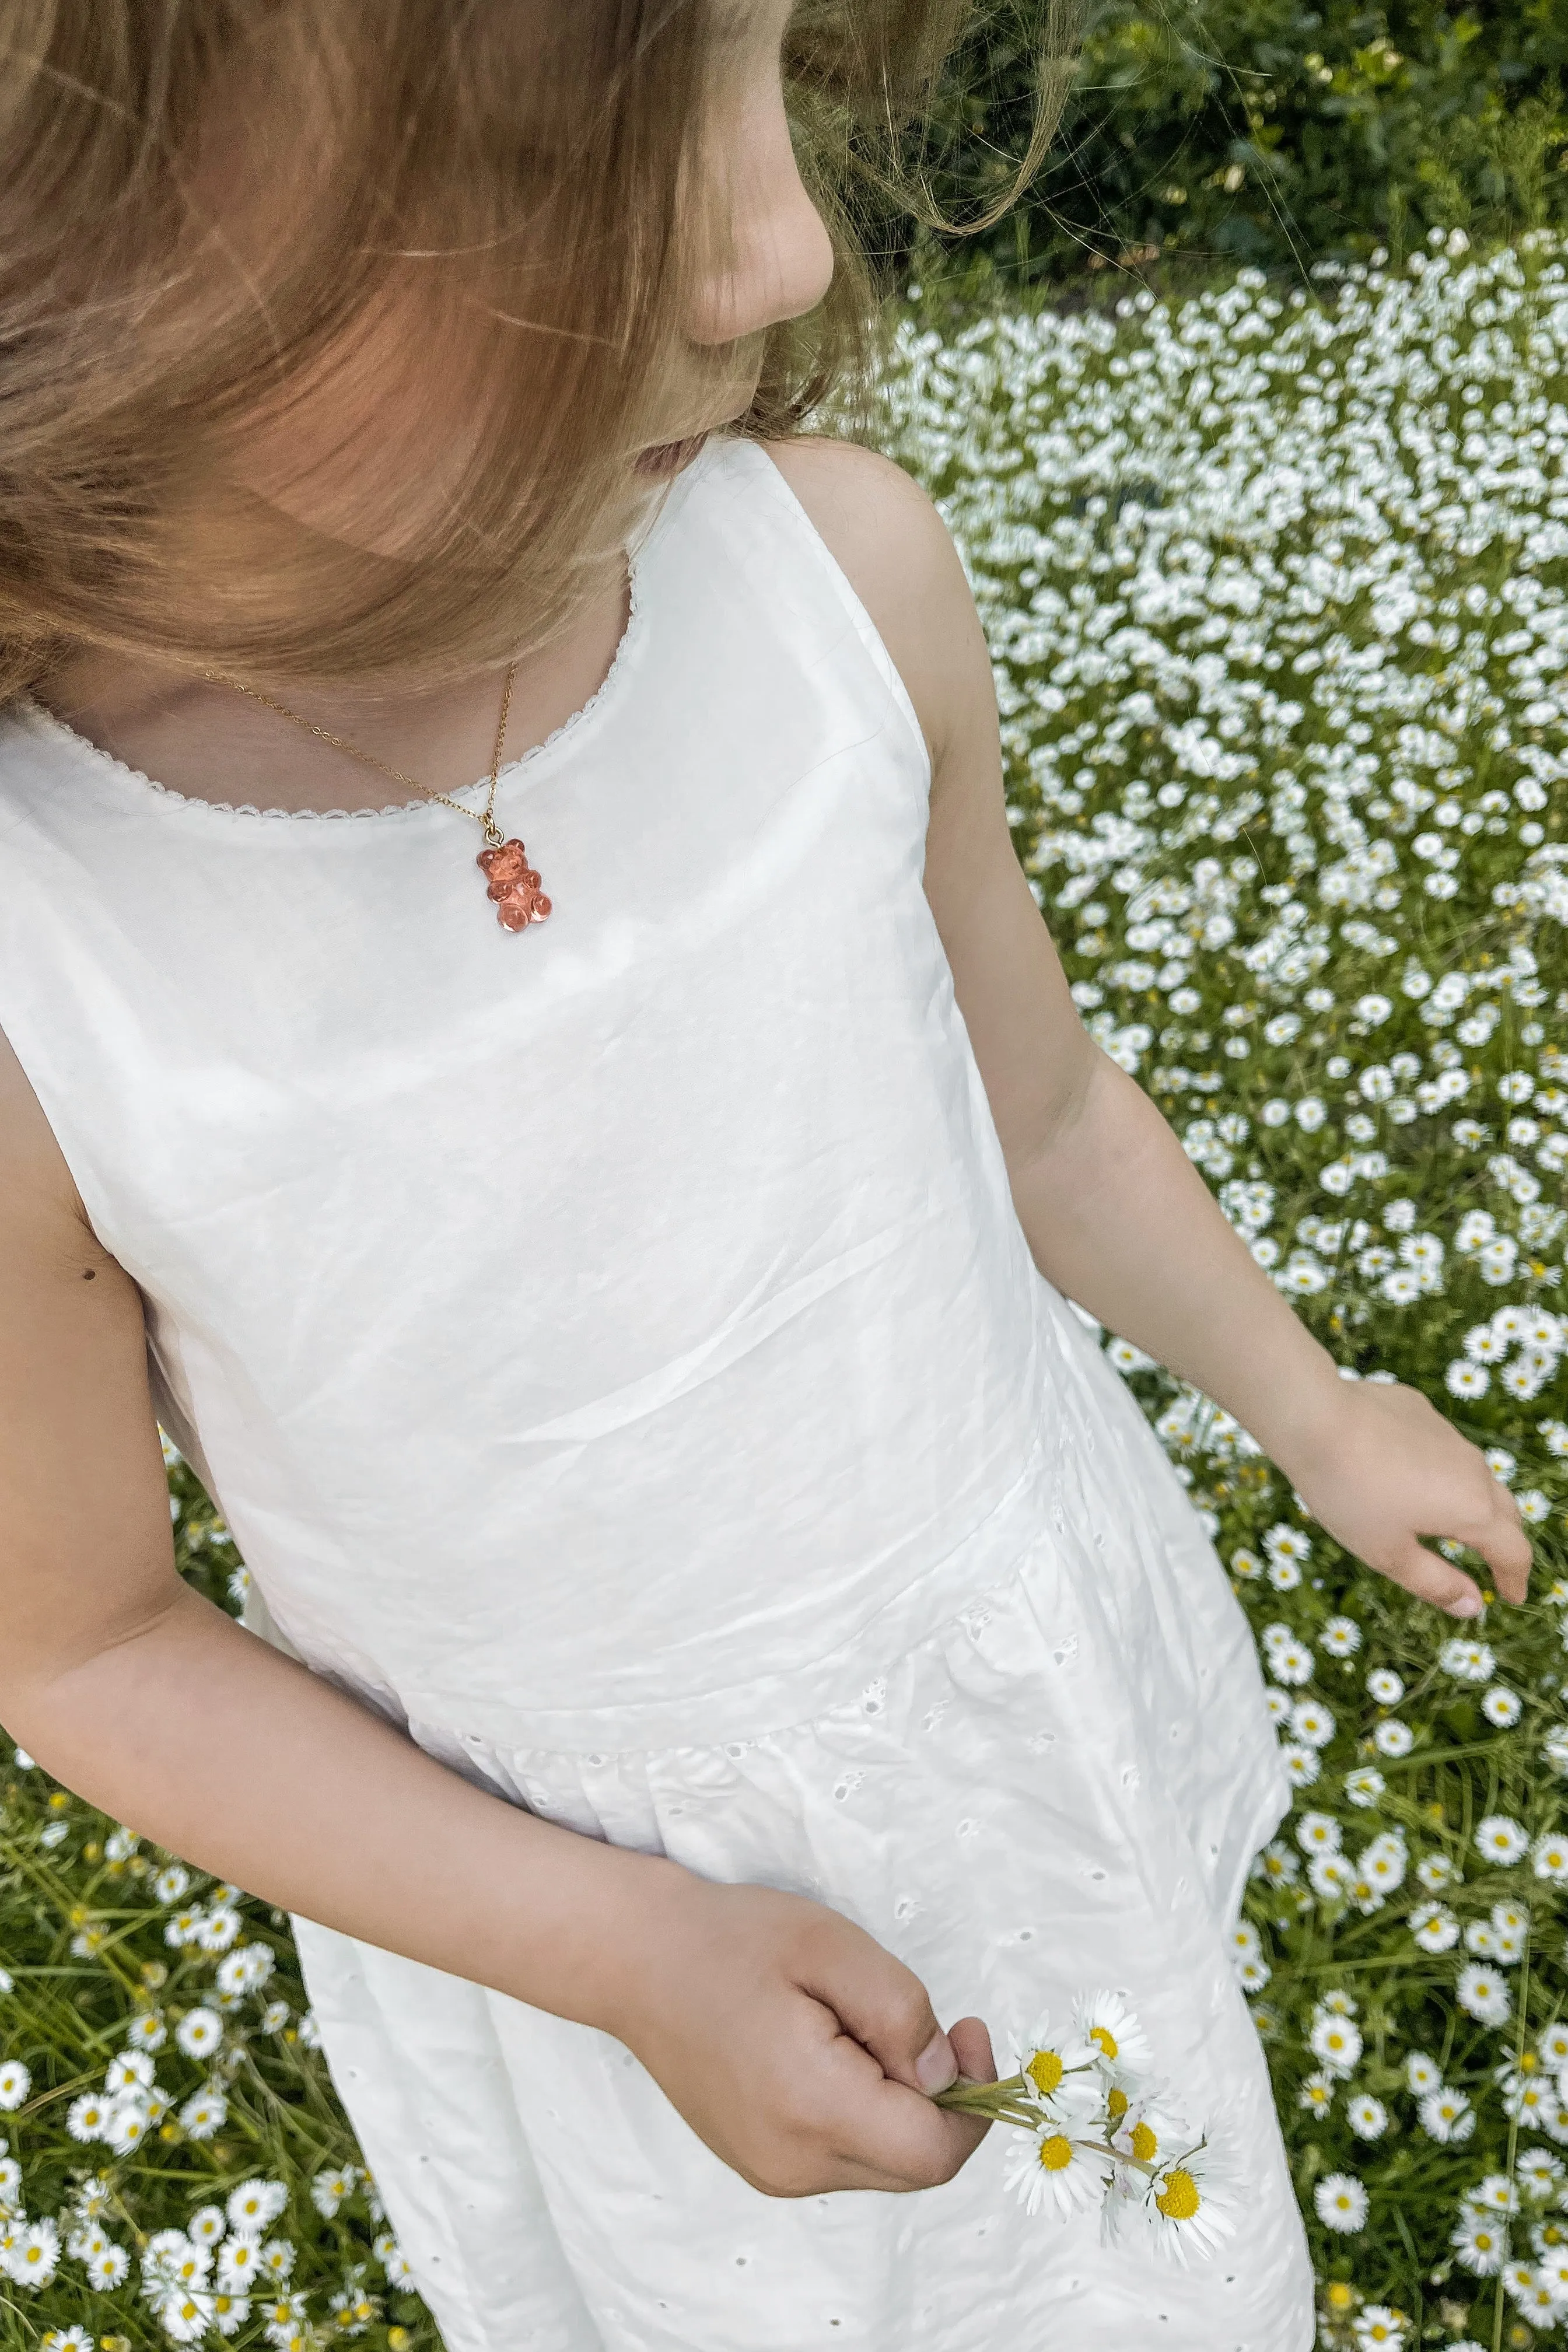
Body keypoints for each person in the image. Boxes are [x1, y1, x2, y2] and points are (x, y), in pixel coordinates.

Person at [0, 5, 1530, 2348]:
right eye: (546, 154)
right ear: (63, 245)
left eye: (775, 69)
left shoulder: (843, 589)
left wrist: (1310, 1406)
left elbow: (1041, 1116)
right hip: (595, 1940)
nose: (780, 251)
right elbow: (86, 1643)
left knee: (1145, 2252)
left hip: (1016, 1734)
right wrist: (624, 1957)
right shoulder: (50, 967)